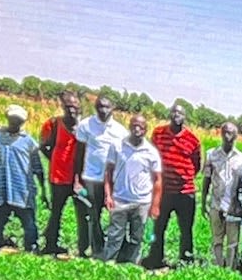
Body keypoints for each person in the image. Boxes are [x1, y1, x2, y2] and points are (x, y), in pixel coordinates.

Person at [100, 111, 163, 265]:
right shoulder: (117, 146)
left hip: (142, 202)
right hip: (120, 199)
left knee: (137, 237)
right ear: (129, 126)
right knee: (115, 235)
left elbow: (157, 179)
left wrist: (155, 205)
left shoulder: (151, 152)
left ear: (146, 130)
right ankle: (108, 265)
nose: (137, 129)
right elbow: (108, 172)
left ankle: (132, 266)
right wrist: (108, 195)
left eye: (141, 127)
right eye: (134, 126)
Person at [0, 104, 41, 253]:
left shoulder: (29, 142)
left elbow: (37, 168)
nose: (15, 122)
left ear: (22, 122)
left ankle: (31, 248)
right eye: (13, 119)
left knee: (29, 222)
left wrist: (43, 189)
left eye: (18, 120)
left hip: (22, 190)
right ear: (7, 118)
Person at [149, 100, 203, 268]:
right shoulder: (158, 134)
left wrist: (183, 176)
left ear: (185, 117)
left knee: (186, 229)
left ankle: (185, 260)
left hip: (185, 192)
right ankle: (155, 258)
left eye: (180, 113)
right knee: (159, 227)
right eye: (174, 112)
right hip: (164, 191)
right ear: (169, 114)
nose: (176, 115)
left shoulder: (192, 140)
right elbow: (152, 157)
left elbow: (196, 165)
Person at [68, 92, 118, 260]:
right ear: (96, 107)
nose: (103, 110)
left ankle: (112, 250)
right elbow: (79, 153)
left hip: (112, 181)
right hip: (91, 177)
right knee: (93, 215)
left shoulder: (120, 131)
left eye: (107, 107)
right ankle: (97, 250)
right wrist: (77, 178)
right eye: (100, 106)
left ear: (113, 108)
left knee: (115, 216)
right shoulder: (85, 125)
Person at [37, 89, 86, 257]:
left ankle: (83, 249)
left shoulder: (84, 128)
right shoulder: (54, 124)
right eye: (68, 106)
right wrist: (56, 160)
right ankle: (51, 244)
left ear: (80, 107)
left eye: (75, 106)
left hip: (79, 179)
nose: (72, 109)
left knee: (83, 215)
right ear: (63, 107)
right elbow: (43, 146)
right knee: (56, 212)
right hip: (58, 178)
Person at [200, 124, 242, 270]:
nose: (228, 136)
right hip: (216, 204)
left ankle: (230, 269)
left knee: (233, 242)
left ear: (236, 136)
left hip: (233, 207)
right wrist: (203, 202)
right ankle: (218, 268)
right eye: (225, 132)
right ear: (221, 134)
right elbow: (206, 180)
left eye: (231, 133)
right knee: (217, 239)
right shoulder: (211, 155)